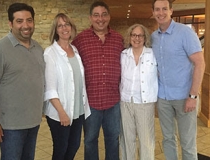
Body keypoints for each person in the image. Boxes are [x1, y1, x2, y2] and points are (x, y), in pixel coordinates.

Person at [0, 3, 45, 160]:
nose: (25, 25)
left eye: (29, 20)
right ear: (10, 23)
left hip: (33, 121)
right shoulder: (0, 49)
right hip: (10, 126)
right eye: (19, 21)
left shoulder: (38, 48)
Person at [151, 0, 205, 159]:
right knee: (168, 139)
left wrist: (193, 96)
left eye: (164, 9)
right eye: (157, 9)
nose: (161, 13)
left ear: (171, 11)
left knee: (188, 143)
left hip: (184, 97)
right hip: (163, 98)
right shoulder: (154, 37)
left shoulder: (185, 33)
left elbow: (200, 63)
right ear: (153, 12)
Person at [72, 1, 124, 160]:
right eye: (96, 15)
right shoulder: (80, 40)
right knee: (89, 140)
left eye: (104, 14)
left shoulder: (119, 39)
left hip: (113, 101)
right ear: (90, 18)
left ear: (109, 16)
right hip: (90, 102)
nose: (100, 19)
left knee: (113, 139)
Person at [43, 13, 91, 160]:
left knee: (74, 145)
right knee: (61, 148)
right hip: (60, 113)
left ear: (71, 27)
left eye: (67, 24)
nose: (64, 28)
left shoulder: (75, 51)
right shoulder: (50, 53)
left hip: (78, 110)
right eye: (60, 25)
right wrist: (62, 113)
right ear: (56, 30)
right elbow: (50, 88)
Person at [120, 24, 158, 160]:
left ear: (145, 37)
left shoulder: (152, 54)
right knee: (127, 139)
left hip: (145, 103)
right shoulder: (123, 55)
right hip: (125, 102)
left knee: (146, 140)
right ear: (129, 37)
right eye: (134, 35)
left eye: (140, 35)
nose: (137, 38)